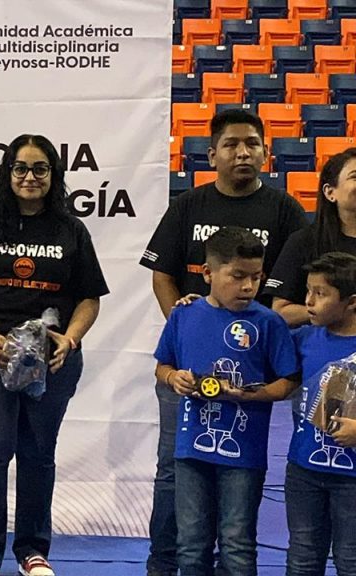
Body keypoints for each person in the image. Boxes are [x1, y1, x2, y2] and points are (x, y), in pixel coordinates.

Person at [139, 108, 308, 576]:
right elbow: (162, 275)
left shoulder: (285, 210)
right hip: (187, 369)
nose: (243, 152)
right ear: (212, 154)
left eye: (252, 143)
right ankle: (162, 564)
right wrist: (189, 330)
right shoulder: (188, 205)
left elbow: (298, 287)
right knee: (174, 469)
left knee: (237, 480)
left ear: (266, 153)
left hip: (249, 369)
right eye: (232, 144)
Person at [0, 134, 109, 576]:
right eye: (21, 168)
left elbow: (89, 298)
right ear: (7, 173)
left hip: (52, 360)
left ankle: (33, 552)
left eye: (40, 169)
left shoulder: (71, 230)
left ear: (53, 175)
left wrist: (71, 338)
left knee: (38, 453)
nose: (30, 177)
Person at [155, 226, 299, 576]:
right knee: (191, 544)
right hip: (191, 449)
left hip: (244, 454)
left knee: (237, 543)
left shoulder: (268, 323)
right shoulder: (183, 314)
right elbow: (162, 366)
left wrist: (249, 394)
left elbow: (289, 382)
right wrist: (175, 379)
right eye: (237, 276)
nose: (248, 286)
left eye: (256, 277)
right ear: (208, 273)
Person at [224, 252, 356, 575]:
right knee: (302, 557)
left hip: (352, 478)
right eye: (308, 291)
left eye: (320, 293)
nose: (308, 301)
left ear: (352, 302)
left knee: (350, 559)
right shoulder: (302, 339)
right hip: (303, 470)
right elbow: (249, 339)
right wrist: (201, 307)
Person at [266, 148, 356, 327]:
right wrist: (330, 311)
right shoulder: (303, 241)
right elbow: (280, 311)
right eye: (354, 177)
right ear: (330, 192)